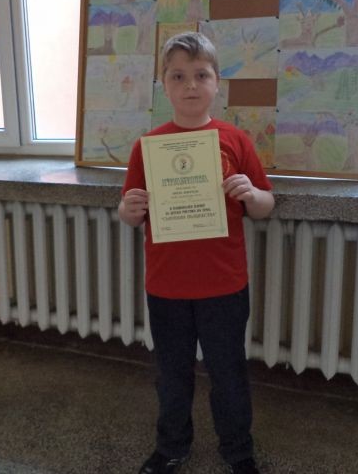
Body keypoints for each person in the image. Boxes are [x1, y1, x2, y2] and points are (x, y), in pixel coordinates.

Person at [119, 32, 275, 474]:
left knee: (228, 373)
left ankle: (238, 451)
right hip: (167, 287)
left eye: (201, 75)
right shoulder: (148, 147)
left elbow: (265, 206)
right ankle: (171, 447)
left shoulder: (235, 140)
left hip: (224, 285)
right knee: (171, 374)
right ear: (163, 85)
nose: (190, 85)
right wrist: (128, 208)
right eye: (178, 76)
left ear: (216, 82)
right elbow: (129, 213)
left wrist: (251, 194)